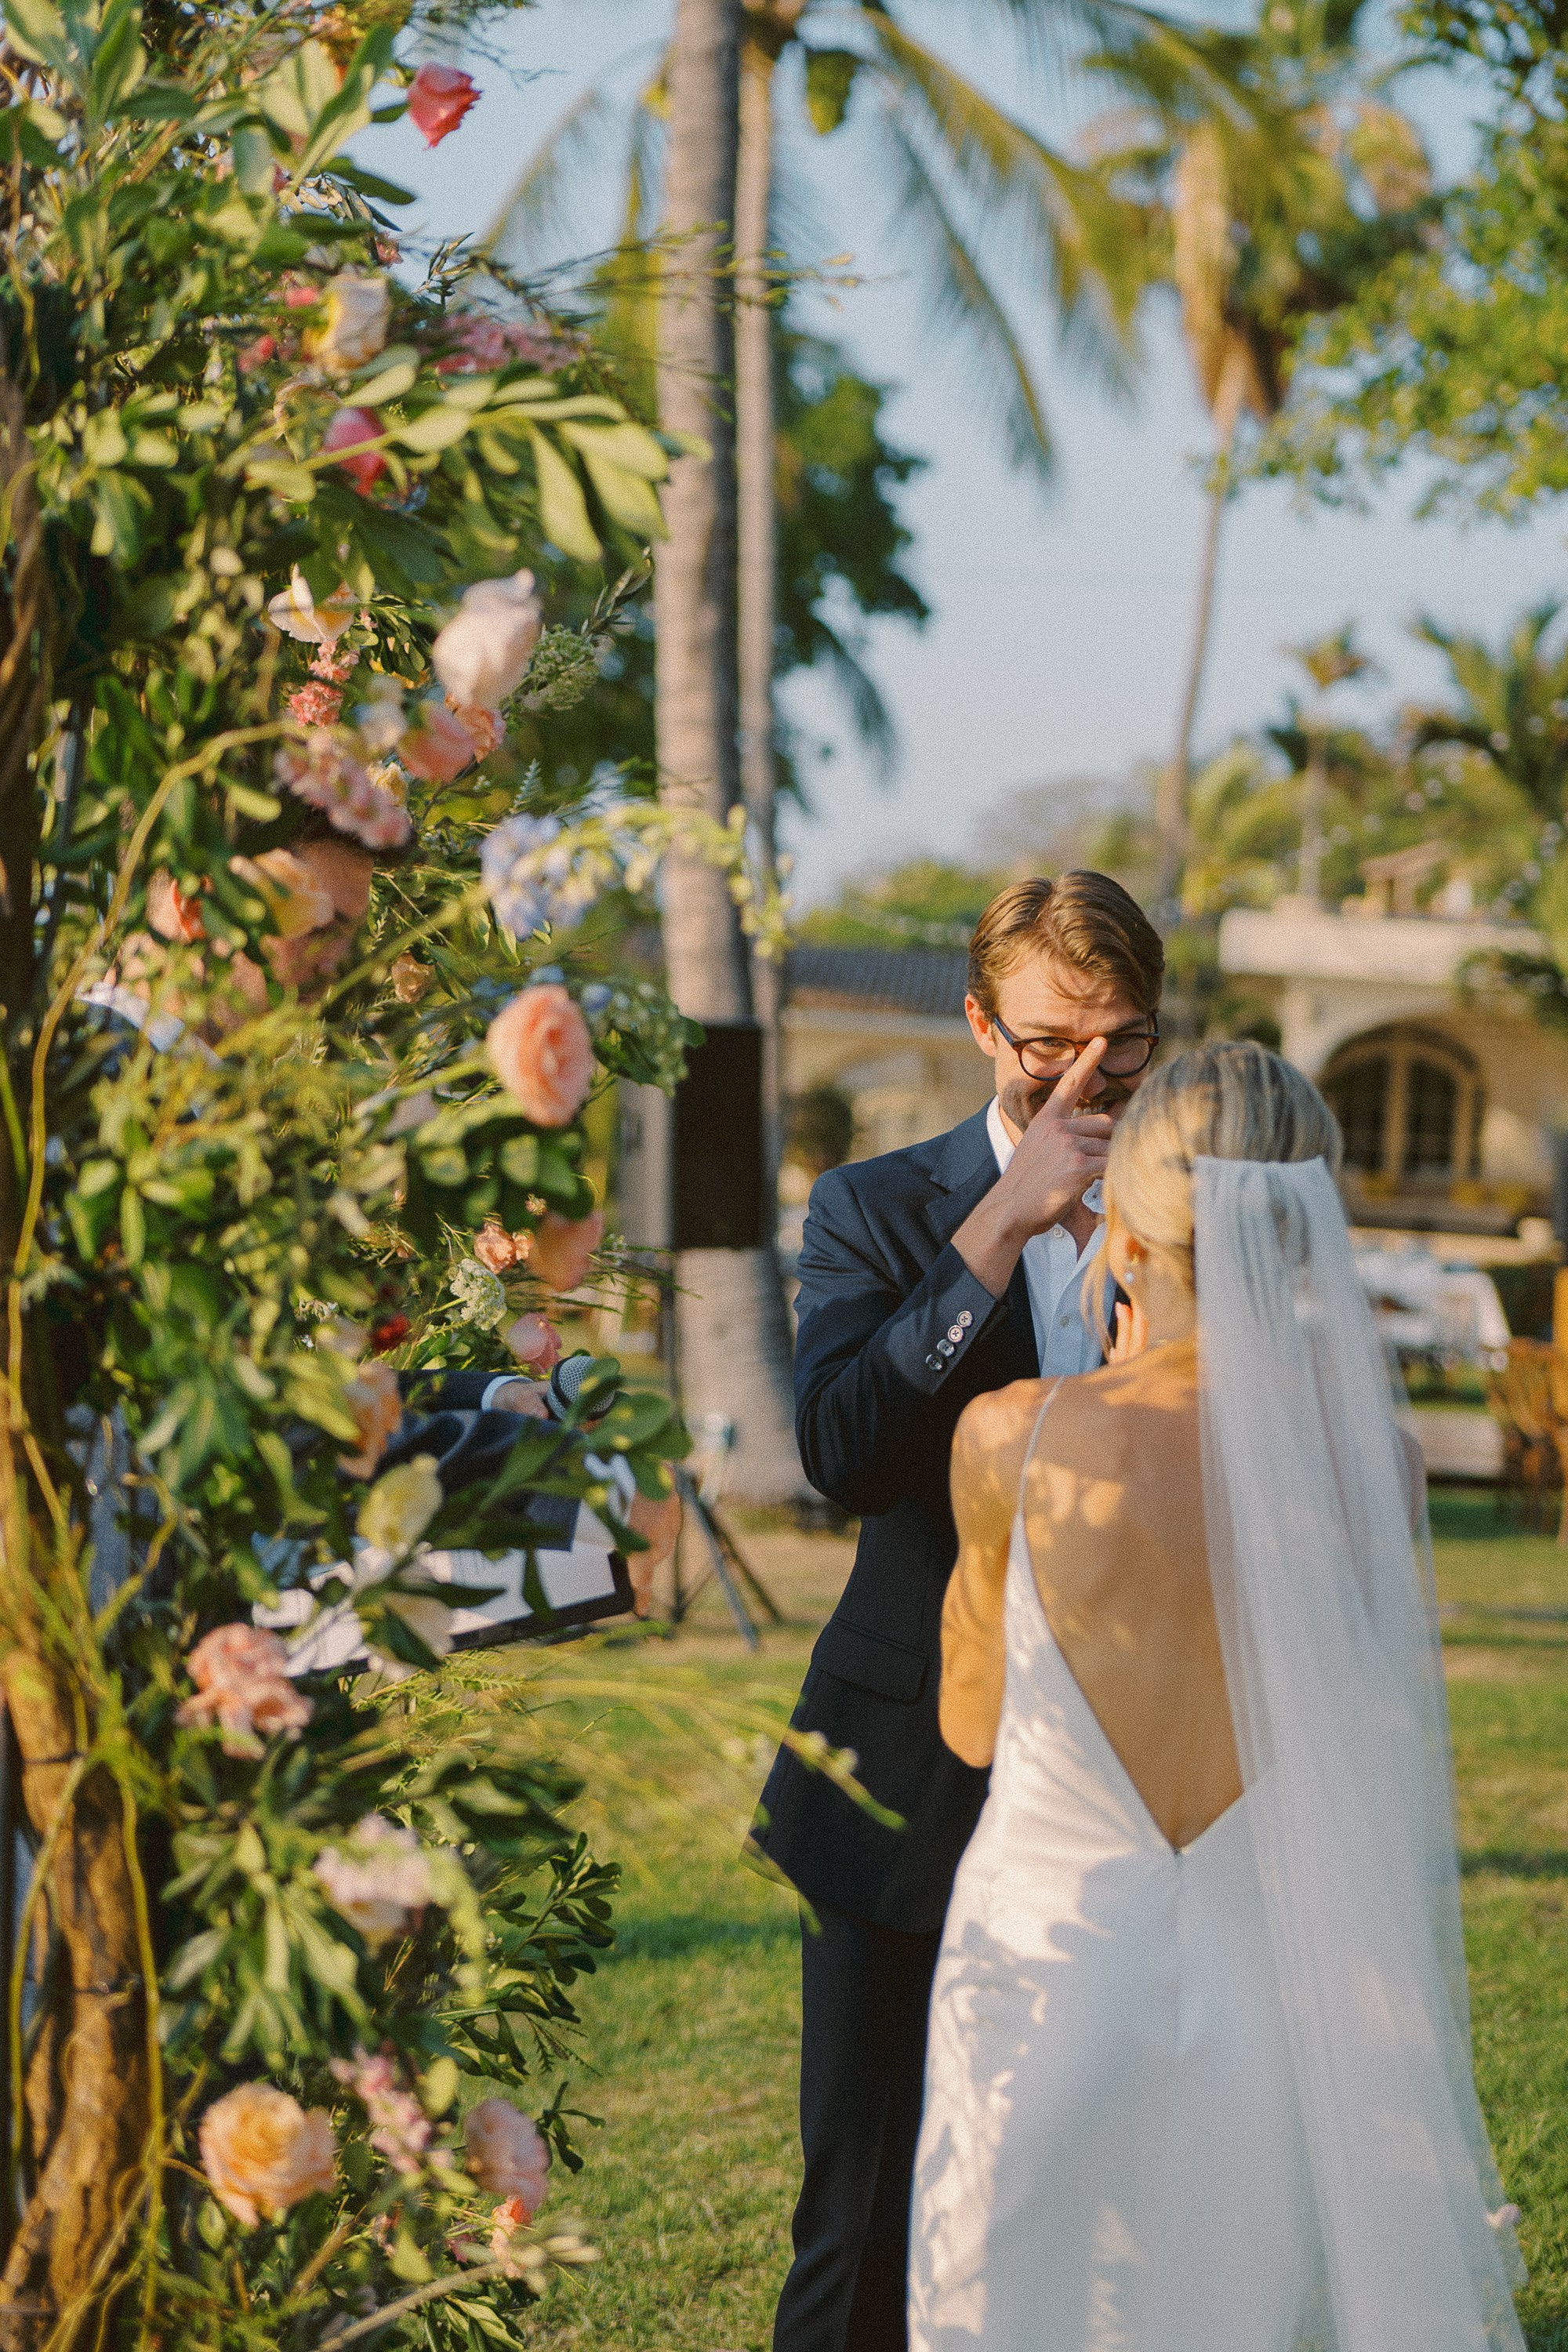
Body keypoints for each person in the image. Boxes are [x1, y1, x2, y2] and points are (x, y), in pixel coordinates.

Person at [910, 1041, 1526, 2352]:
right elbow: (1355, 1747)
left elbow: (971, 1727)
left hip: (1045, 1981)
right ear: (1302, 1235)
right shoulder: (1383, 1469)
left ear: (1125, 1232)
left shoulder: (1010, 1438)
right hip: (1269, 2003)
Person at [753, 873, 1165, 2352]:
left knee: (1080, 2196)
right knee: (860, 2210)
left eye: (1122, 1046)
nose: (1087, 1079)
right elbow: (844, 1457)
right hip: (902, 1774)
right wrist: (999, 1225)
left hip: (1119, 1772)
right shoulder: (874, 1206)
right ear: (982, 1022)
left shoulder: (1180, 1217)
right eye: (1050, 1042)